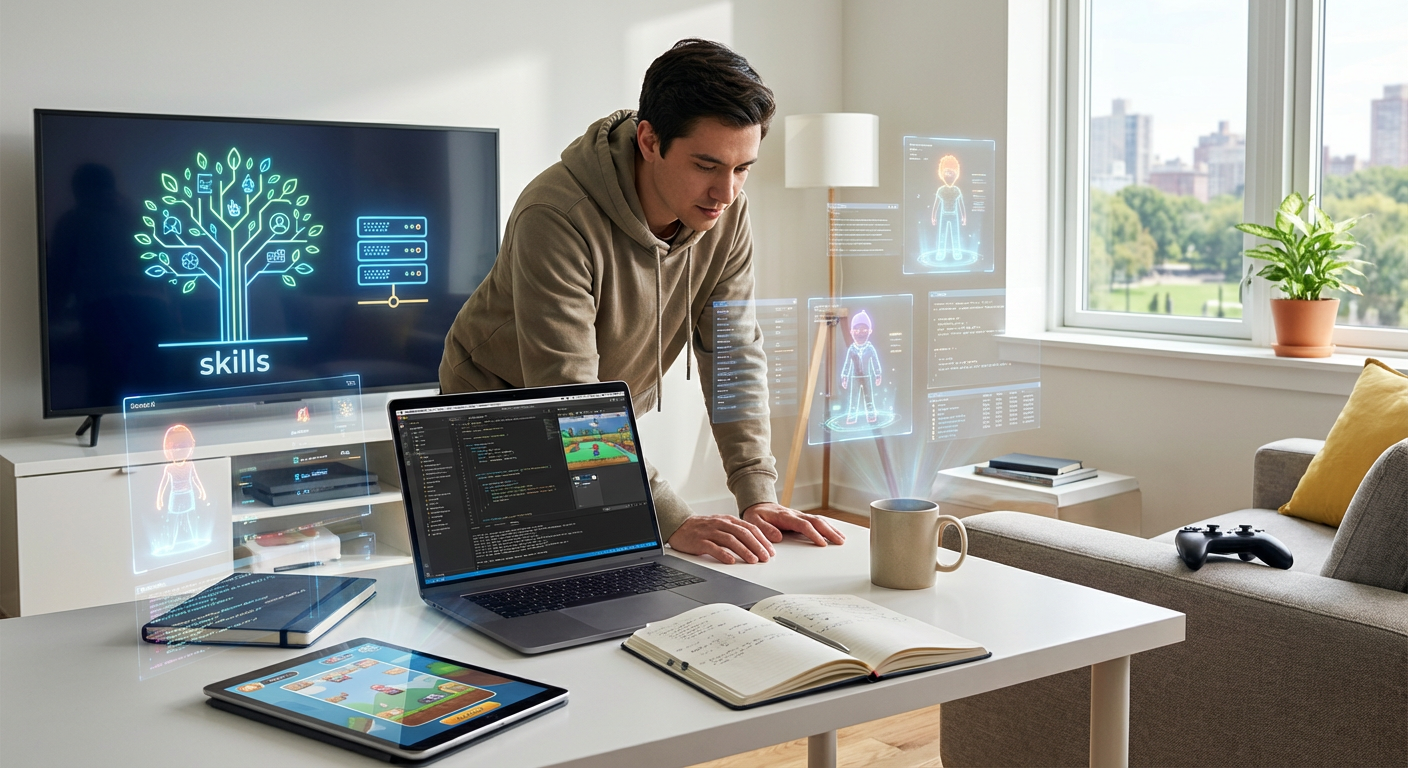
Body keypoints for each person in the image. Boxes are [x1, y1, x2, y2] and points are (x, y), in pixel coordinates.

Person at [441, 39, 844, 565]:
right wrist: (673, 517)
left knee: (617, 578)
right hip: (496, 414)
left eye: (743, 168)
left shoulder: (726, 213)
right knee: (519, 588)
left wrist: (757, 493)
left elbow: (734, 355)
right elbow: (571, 397)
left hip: (591, 422)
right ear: (650, 140)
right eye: (706, 165)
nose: (725, 192)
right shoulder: (556, 215)